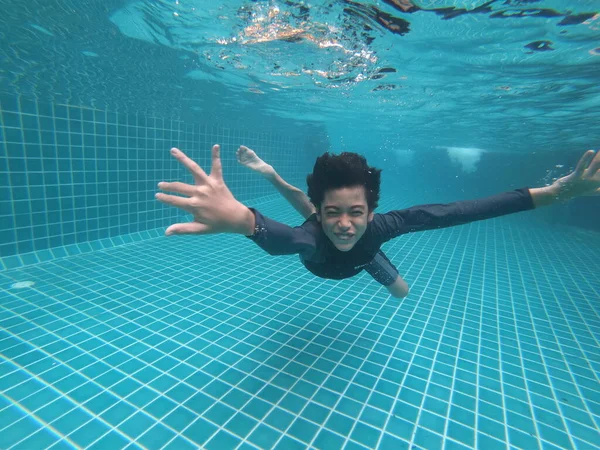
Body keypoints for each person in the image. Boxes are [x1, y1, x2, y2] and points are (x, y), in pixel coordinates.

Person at [155, 145, 600, 298]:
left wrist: (556, 192)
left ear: (371, 212)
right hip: (325, 262)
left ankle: (274, 176)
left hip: (366, 258)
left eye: (356, 213)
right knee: (306, 214)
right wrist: (238, 218)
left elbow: (465, 211)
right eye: (336, 212)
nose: (345, 224)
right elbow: (280, 237)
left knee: (401, 293)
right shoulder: (311, 236)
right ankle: (272, 174)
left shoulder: (380, 227)